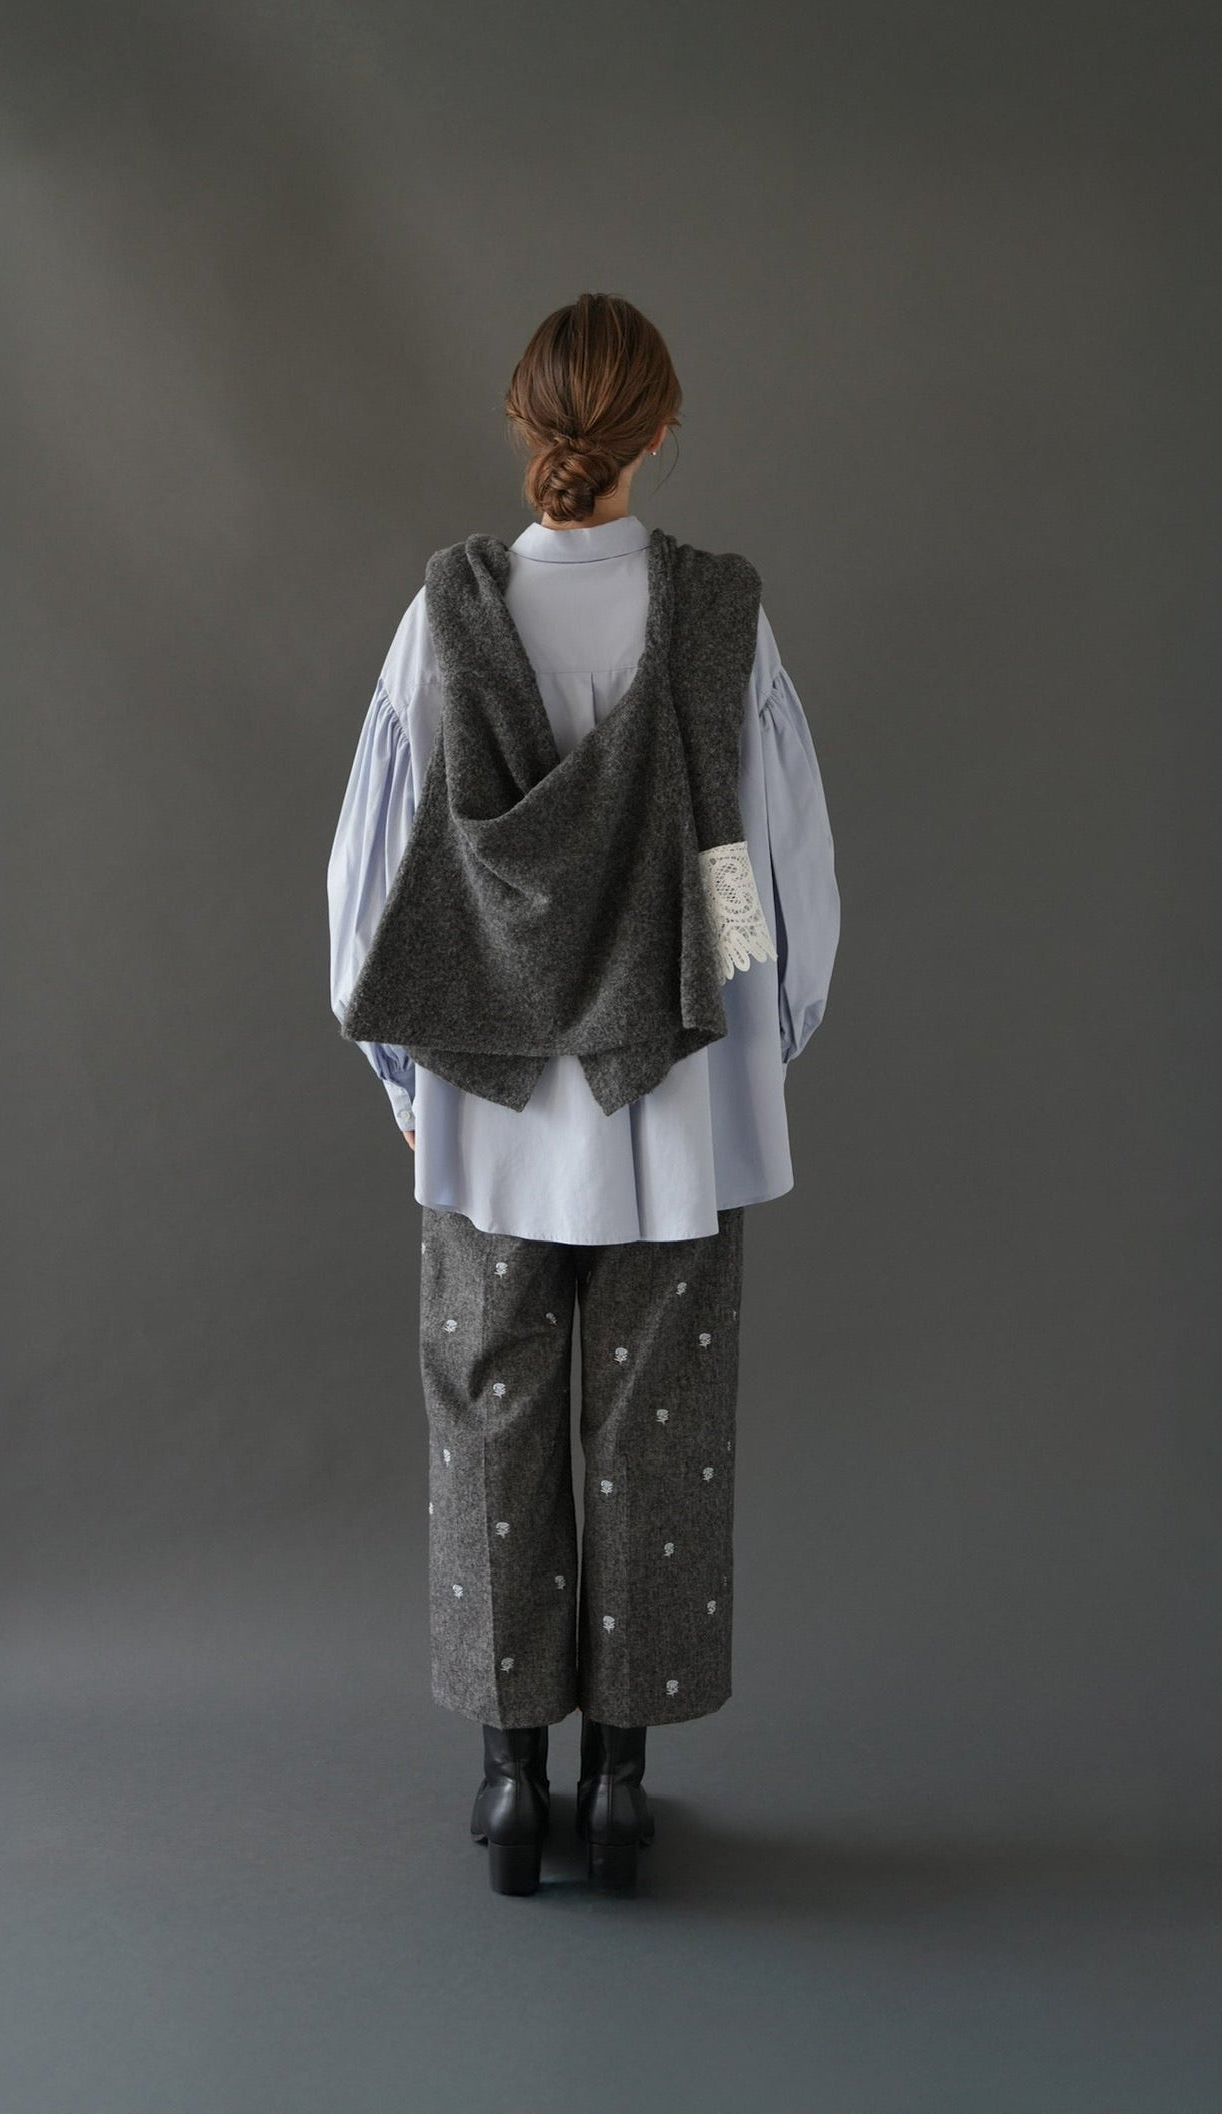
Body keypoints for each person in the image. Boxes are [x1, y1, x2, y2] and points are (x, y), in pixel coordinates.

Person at [326, 292, 840, 1896]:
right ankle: (620, 1784)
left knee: (490, 1407)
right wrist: (753, 1039)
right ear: (658, 429)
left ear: (524, 422)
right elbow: (758, 856)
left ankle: (508, 1780)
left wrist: (402, 1072)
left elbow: (373, 871)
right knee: (657, 1421)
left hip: (487, 1105)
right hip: (672, 1093)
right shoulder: (718, 613)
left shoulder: (446, 615)